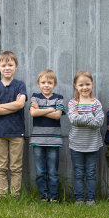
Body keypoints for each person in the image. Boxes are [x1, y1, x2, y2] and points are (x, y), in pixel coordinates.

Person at [0, 51, 27, 198]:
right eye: (3, 65)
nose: (7, 68)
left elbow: (21, 104)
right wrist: (14, 105)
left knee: (16, 167)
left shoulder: (20, 85)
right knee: (1, 166)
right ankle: (3, 195)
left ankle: (15, 195)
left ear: (16, 66)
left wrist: (0, 107)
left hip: (17, 132)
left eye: (10, 65)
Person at [67, 71, 104, 205]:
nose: (84, 87)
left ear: (92, 85)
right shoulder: (73, 103)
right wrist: (90, 116)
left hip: (93, 144)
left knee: (91, 173)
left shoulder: (96, 103)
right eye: (81, 85)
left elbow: (98, 123)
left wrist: (82, 116)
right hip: (76, 144)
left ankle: (90, 198)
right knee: (78, 173)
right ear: (75, 86)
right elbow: (73, 120)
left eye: (87, 84)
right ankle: (79, 198)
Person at [29, 69, 64, 203]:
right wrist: (50, 109)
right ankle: (43, 196)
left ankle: (53, 196)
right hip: (37, 140)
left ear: (54, 84)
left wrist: (40, 110)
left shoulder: (58, 98)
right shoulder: (35, 96)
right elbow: (33, 113)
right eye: (43, 82)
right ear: (38, 84)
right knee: (40, 171)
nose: (46, 85)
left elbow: (57, 115)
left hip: (53, 140)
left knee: (53, 172)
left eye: (50, 82)